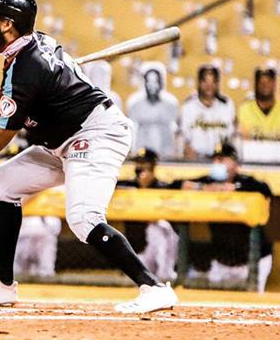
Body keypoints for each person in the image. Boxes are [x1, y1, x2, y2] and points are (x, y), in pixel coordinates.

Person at [0, 0, 177, 313]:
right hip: (61, 140)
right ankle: (2, 285)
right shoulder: (37, 43)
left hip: (96, 134)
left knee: (83, 218)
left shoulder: (25, 71)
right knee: (2, 185)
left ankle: (153, 287)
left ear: (8, 24)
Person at [170, 144, 273, 292]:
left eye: (221, 160)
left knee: (252, 301)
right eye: (215, 160)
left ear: (235, 163)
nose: (217, 164)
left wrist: (233, 189)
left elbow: (265, 189)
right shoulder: (208, 181)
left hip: (254, 261)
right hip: (222, 262)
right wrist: (203, 188)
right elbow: (176, 185)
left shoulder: (246, 182)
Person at [0, 173, 61, 278]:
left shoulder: (47, 170)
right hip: (7, 225)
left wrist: (18, 198)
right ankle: (3, 271)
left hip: (35, 223)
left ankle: (44, 275)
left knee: (42, 273)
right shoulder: (5, 169)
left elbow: (42, 186)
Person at [115, 148, 179, 282]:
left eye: (145, 164)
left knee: (158, 227)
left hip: (160, 248)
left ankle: (165, 275)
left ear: (153, 166)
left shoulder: (162, 187)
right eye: (139, 163)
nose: (141, 168)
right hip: (137, 251)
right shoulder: (126, 186)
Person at [180, 64, 236, 159]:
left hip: (221, 158)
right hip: (195, 159)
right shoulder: (189, 106)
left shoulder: (227, 105)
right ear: (199, 83)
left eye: (213, 82)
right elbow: (184, 138)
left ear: (218, 83)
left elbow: (231, 136)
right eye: (205, 81)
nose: (209, 86)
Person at [125, 62, 179, 159]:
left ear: (161, 82)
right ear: (144, 82)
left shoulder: (171, 104)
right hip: (141, 157)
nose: (152, 86)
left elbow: (176, 133)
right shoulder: (134, 104)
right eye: (149, 81)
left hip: (166, 156)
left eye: (156, 82)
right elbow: (130, 132)